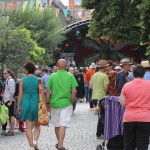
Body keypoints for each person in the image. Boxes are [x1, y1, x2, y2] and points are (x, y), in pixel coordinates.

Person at [46, 59, 78, 150]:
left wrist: (47, 102)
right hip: (66, 103)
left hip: (54, 103)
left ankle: (59, 143)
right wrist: (72, 101)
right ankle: (60, 144)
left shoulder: (52, 76)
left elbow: (48, 91)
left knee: (56, 124)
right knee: (63, 124)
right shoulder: (70, 76)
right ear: (66, 66)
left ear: (57, 66)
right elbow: (74, 90)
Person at [120, 65, 150, 150]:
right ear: (143, 74)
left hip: (129, 118)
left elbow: (122, 103)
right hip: (145, 118)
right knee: (143, 145)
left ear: (133, 74)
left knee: (129, 145)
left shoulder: (126, 86)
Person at [18, 62, 43, 150]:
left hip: (26, 103)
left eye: (25, 69)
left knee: (28, 127)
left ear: (27, 70)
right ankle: (35, 141)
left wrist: (18, 106)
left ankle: (31, 146)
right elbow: (41, 94)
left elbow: (20, 94)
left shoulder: (22, 80)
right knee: (37, 126)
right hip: (36, 103)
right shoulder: (39, 80)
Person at [90, 60, 109, 139]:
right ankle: (99, 133)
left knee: (100, 115)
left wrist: (96, 89)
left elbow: (90, 86)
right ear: (104, 67)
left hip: (94, 97)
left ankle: (100, 132)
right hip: (102, 98)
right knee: (102, 116)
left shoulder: (94, 75)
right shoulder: (104, 76)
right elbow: (106, 88)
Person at [2, 69, 16, 136]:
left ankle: (12, 130)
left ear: (9, 74)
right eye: (3, 73)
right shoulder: (7, 80)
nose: (3, 74)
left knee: (11, 115)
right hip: (7, 99)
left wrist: (10, 101)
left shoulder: (10, 80)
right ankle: (11, 129)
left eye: (5, 73)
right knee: (9, 116)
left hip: (9, 100)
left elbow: (12, 91)